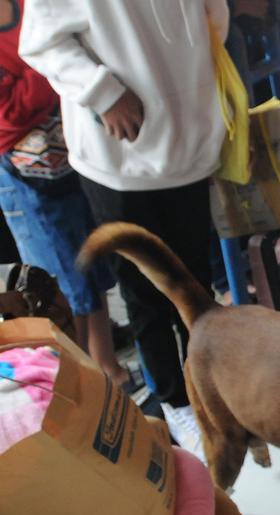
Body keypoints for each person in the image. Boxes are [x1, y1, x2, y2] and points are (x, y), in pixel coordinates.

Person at [21, 0, 231, 458]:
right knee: (144, 294)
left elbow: (211, 21)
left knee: (196, 286)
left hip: (188, 140)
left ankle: (214, 393)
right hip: (118, 153)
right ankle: (174, 402)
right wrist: (102, 91)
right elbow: (40, 39)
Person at [0, 0, 129, 388]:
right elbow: (8, 114)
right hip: (22, 179)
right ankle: (89, 381)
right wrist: (57, 68)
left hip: (70, 161)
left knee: (92, 266)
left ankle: (108, 368)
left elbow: (75, 56)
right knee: (56, 282)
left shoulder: (32, 8)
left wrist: (59, 68)